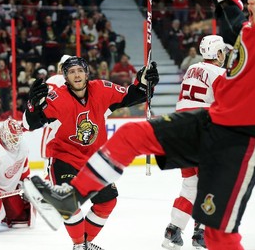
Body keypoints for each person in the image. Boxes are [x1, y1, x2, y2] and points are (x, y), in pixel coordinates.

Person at [24, 0, 255, 250]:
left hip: (246, 134)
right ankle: (72, 197)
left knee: (218, 237)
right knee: (132, 134)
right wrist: (228, 2)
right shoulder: (250, 32)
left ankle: (176, 229)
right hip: (214, 120)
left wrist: (141, 87)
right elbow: (237, 27)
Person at [23, 56, 159, 250]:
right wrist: (33, 106)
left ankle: (85, 243)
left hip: (94, 159)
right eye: (71, 72)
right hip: (65, 157)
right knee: (69, 200)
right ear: (65, 77)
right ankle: (80, 246)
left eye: (79, 70)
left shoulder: (102, 89)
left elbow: (131, 95)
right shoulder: (57, 97)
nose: (76, 75)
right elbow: (30, 124)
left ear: (86, 73)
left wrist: (145, 83)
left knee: (108, 202)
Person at [162, 35, 227, 250]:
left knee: (190, 186)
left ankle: (173, 230)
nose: (224, 55)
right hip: (202, 129)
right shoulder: (220, 74)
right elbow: (226, 106)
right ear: (217, 53)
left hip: (180, 130)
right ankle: (201, 233)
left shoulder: (191, 69)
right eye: (222, 51)